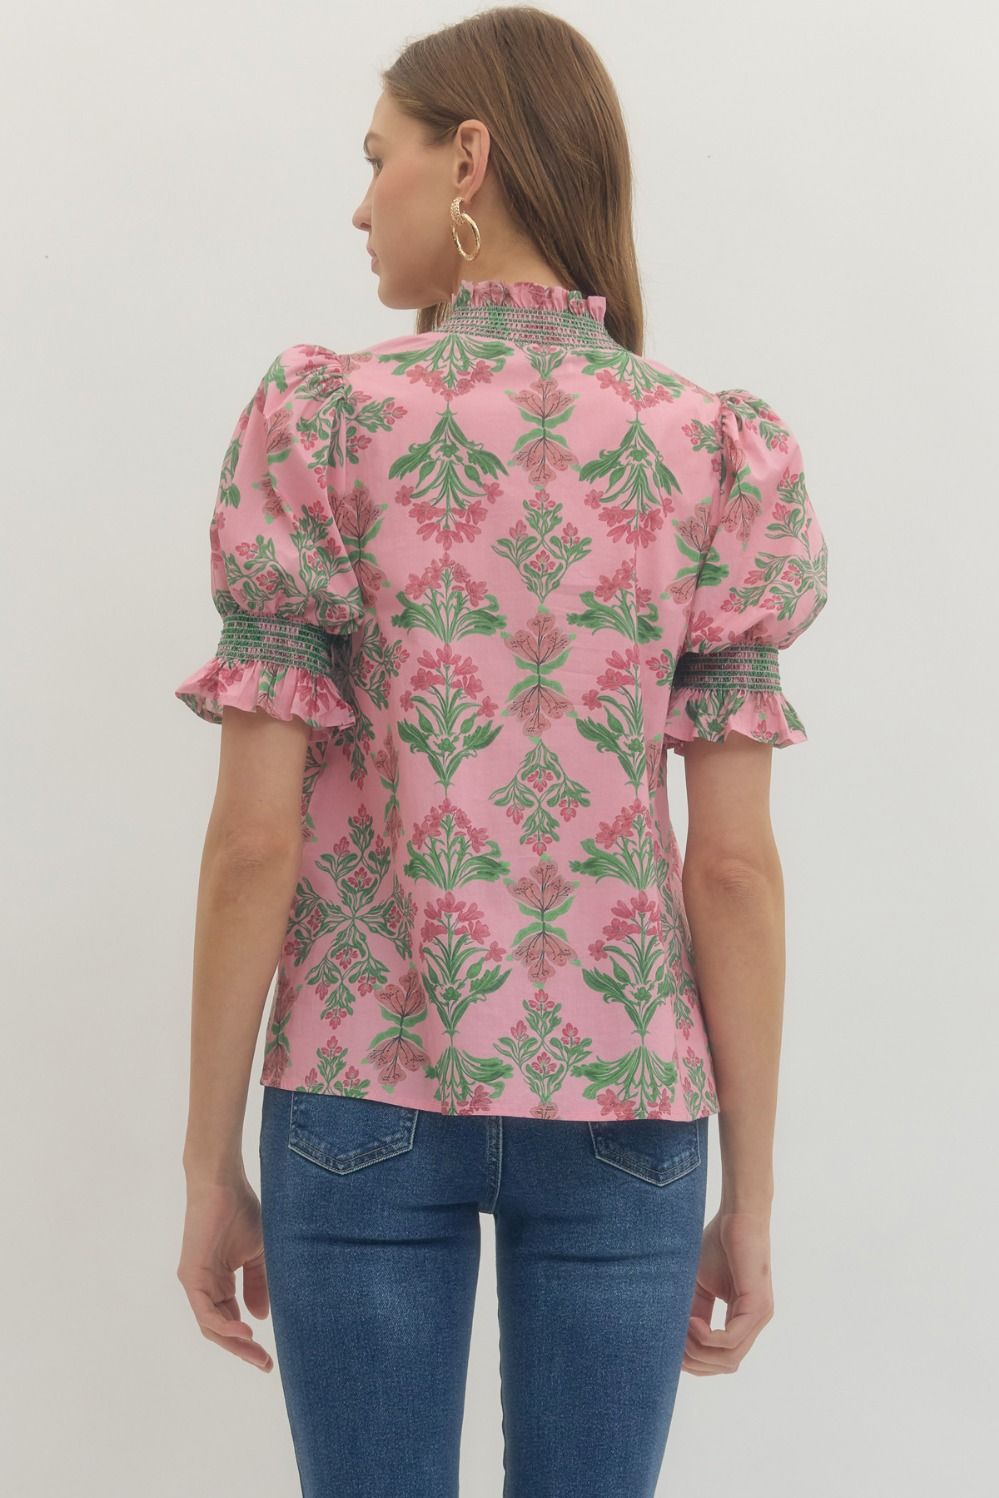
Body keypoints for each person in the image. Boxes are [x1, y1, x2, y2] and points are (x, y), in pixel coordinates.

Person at [174, 7, 829, 1496]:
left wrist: (208, 1165)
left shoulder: (321, 423)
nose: (361, 206)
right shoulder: (715, 450)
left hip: (357, 1085)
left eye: (378, 159)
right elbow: (732, 867)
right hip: (631, 1109)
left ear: (466, 158)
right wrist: (751, 1193)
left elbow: (255, 842)